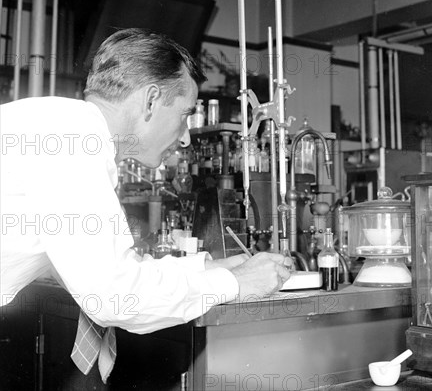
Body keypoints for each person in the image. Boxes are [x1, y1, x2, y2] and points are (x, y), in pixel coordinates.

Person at [0, 29, 291, 369]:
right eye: (185, 114)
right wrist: (236, 283)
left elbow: (110, 268)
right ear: (151, 100)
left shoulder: (61, 125)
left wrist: (206, 268)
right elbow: (113, 296)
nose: (185, 138)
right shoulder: (71, 139)